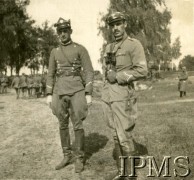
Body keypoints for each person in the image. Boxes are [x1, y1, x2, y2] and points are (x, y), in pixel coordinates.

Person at [101, 12, 148, 180]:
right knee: (115, 134)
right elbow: (107, 71)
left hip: (123, 95)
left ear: (125, 24)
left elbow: (142, 70)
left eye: (118, 24)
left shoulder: (133, 45)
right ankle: (122, 172)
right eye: (112, 25)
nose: (115, 28)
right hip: (109, 96)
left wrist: (119, 77)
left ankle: (131, 175)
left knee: (124, 135)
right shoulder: (109, 47)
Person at [46, 17, 94, 173]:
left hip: (76, 90)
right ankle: (67, 156)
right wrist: (48, 93)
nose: (62, 34)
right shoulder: (54, 52)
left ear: (70, 31)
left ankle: (79, 158)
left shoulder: (80, 49)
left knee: (78, 124)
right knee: (62, 124)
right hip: (59, 91)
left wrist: (88, 93)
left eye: (65, 31)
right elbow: (51, 73)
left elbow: (88, 71)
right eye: (59, 31)